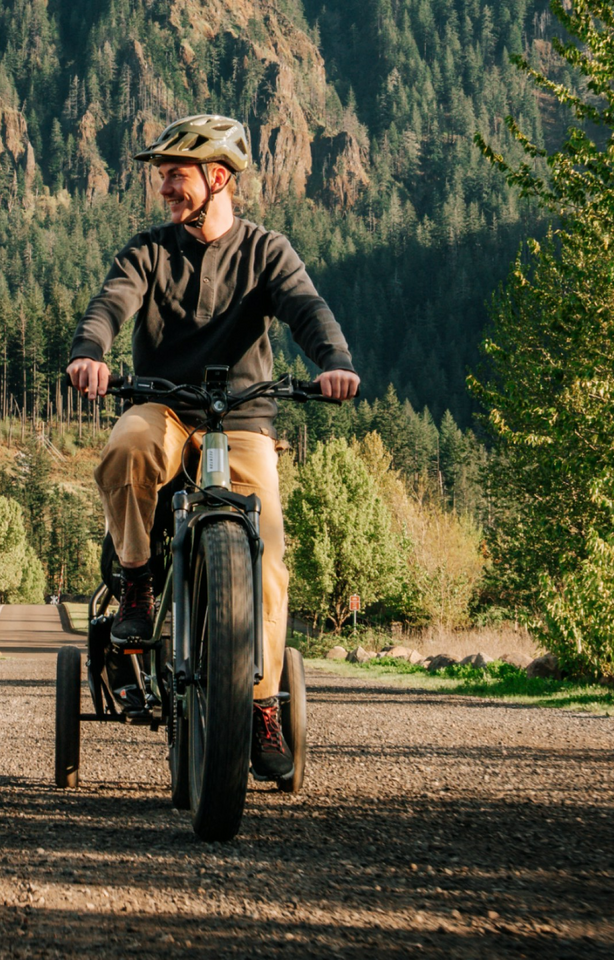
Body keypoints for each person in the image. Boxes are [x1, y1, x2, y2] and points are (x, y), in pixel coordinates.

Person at [65, 115, 359, 781]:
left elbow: (307, 309)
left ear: (217, 178)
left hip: (243, 416)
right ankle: (137, 580)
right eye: (162, 173)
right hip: (162, 403)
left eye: (176, 173)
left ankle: (258, 705)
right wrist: (89, 354)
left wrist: (333, 361)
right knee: (126, 450)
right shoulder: (147, 251)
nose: (163, 185)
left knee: (270, 557)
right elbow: (110, 305)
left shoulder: (266, 252)